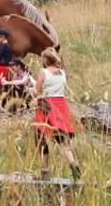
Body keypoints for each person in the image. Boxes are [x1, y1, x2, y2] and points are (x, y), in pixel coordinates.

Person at [34, 48, 81, 180]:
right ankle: (73, 164)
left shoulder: (43, 72)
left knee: (42, 139)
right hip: (62, 105)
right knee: (62, 140)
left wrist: (31, 90)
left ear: (46, 60)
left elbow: (37, 91)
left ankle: (45, 171)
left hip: (47, 105)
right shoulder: (62, 73)